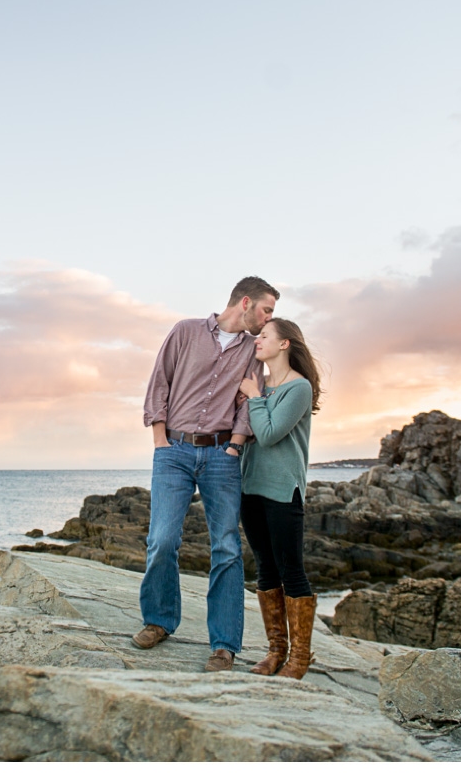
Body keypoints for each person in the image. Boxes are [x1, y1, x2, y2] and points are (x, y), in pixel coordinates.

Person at [135, 276, 279, 672]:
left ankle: (223, 644)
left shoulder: (254, 350)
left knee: (227, 547)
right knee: (162, 540)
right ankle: (159, 621)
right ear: (245, 302)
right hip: (174, 452)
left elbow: (253, 399)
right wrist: (160, 439)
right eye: (267, 310)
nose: (269, 319)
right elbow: (159, 382)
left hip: (222, 456)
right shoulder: (186, 331)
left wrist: (234, 444)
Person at [236, 317, 323, 680]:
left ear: (285, 343)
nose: (258, 340)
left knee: (292, 572)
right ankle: (275, 652)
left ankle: (299, 658)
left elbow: (270, 435)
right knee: (265, 570)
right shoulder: (262, 384)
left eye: (265, 335)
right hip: (249, 489)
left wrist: (254, 399)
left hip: (283, 491)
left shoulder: (297, 388)